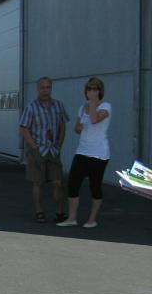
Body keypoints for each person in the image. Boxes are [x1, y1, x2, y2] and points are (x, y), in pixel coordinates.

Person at [57, 77, 111, 228]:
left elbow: (94, 120)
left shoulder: (106, 106)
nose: (91, 91)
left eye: (94, 89)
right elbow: (77, 128)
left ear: (100, 91)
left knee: (95, 186)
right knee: (73, 184)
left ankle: (92, 219)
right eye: (89, 89)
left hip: (98, 153)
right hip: (82, 151)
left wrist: (92, 102)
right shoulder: (82, 108)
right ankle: (72, 218)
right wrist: (79, 128)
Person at [19, 77, 70, 223]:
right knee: (38, 182)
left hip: (53, 150)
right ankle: (39, 211)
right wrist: (33, 146)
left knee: (58, 182)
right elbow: (23, 128)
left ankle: (59, 212)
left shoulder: (58, 106)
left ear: (51, 88)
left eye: (48, 87)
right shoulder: (31, 107)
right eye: (42, 87)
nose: (45, 90)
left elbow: (62, 126)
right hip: (37, 150)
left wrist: (59, 144)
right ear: (38, 89)